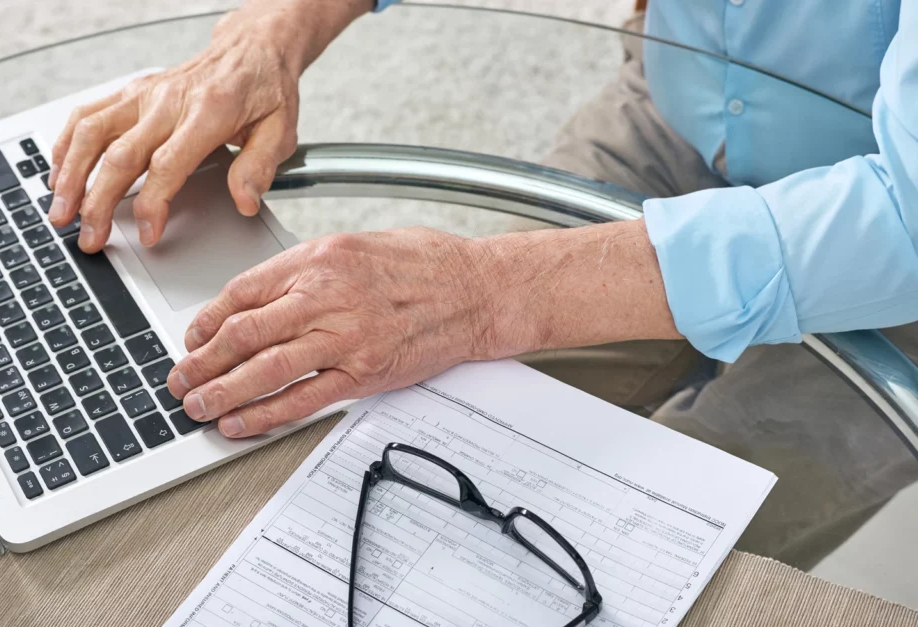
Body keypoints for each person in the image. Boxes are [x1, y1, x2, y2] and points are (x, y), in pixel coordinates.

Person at [45, 0, 918, 569]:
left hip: (899, 242)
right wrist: (272, 29)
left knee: (642, 562)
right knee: (415, 447)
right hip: (687, 105)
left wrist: (487, 290)